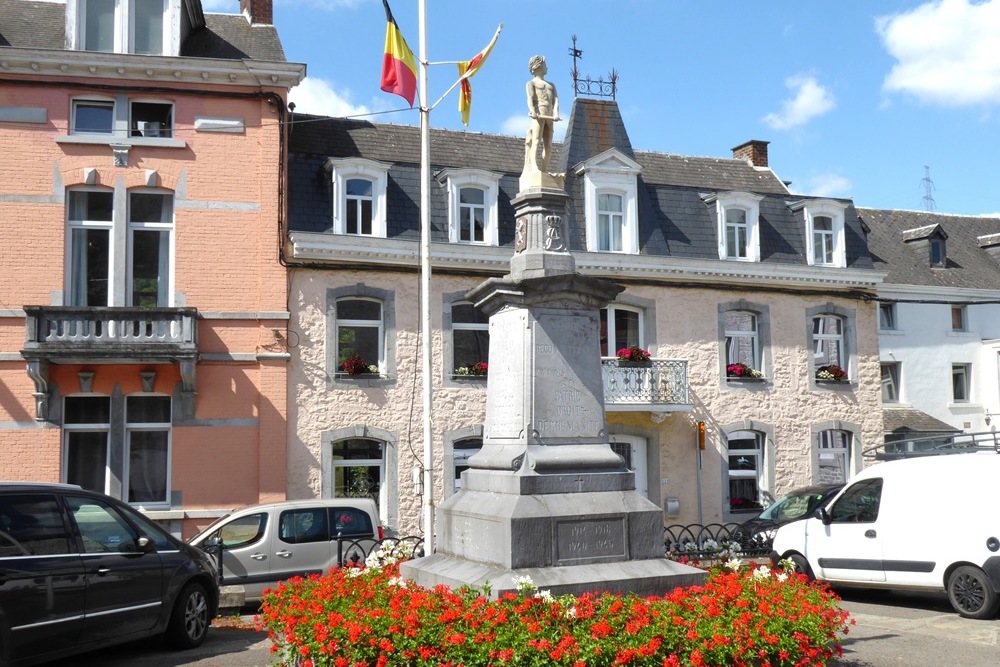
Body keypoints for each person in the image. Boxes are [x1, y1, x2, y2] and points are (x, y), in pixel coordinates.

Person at [524, 55, 559, 174]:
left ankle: (544, 170)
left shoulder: (551, 85)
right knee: (536, 140)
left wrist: (556, 113)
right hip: (539, 113)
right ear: (538, 66)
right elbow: (530, 98)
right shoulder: (531, 83)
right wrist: (533, 111)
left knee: (548, 144)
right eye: (545, 65)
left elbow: (556, 101)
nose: (547, 67)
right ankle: (534, 166)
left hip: (549, 115)